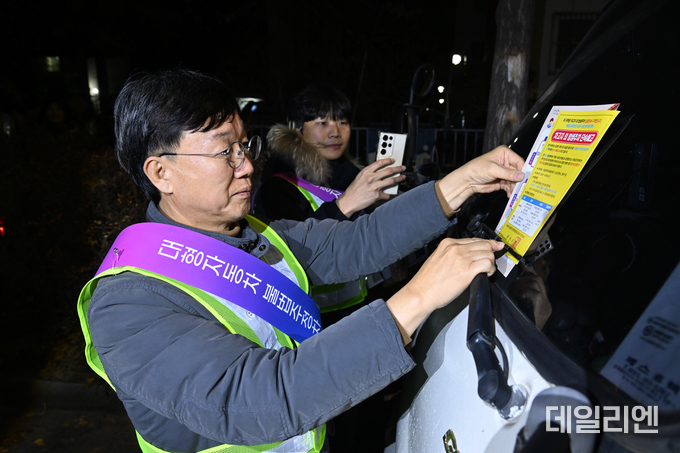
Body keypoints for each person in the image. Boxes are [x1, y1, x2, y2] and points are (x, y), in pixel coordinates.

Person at [77, 69, 525, 453]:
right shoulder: (128, 303)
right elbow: (259, 399)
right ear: (161, 172)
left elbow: (361, 241)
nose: (246, 166)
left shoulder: (254, 236)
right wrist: (419, 297)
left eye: (244, 146)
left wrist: (463, 182)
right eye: (224, 151)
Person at [252, 83, 402, 223]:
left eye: (342, 123)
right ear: (297, 129)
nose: (335, 132)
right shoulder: (278, 185)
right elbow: (290, 240)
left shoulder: (354, 175)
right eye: (322, 123)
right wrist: (345, 204)